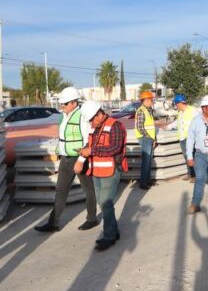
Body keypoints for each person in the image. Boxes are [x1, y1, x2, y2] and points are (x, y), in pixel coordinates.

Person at [34, 86, 98, 233]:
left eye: (65, 103)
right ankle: (53, 223)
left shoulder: (82, 116)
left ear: (74, 103)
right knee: (61, 190)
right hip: (66, 159)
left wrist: (81, 160)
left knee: (88, 189)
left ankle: (92, 219)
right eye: (62, 103)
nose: (62, 106)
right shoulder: (63, 116)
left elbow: (88, 139)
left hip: (80, 158)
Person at [74, 101, 128, 251]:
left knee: (105, 202)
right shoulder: (94, 128)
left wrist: (91, 151)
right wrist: (82, 156)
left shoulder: (115, 125)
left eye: (92, 119)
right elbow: (89, 145)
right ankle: (114, 231)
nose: (91, 122)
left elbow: (115, 148)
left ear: (99, 113)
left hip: (111, 171)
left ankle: (109, 236)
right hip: (97, 170)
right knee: (103, 203)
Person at [166, 94, 198, 182]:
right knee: (186, 157)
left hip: (190, 138)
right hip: (182, 138)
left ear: (180, 103)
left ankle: (194, 176)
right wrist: (168, 127)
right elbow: (177, 122)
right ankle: (189, 174)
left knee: (191, 157)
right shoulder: (180, 112)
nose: (176, 106)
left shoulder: (192, 110)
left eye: (176, 104)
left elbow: (199, 123)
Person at [134, 90, 157, 190]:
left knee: (149, 160)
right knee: (146, 161)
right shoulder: (141, 111)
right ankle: (143, 182)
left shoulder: (149, 110)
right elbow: (140, 127)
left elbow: (151, 126)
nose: (152, 101)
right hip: (145, 138)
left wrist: (154, 138)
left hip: (149, 138)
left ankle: (147, 180)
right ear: (146, 100)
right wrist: (149, 137)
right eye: (151, 99)